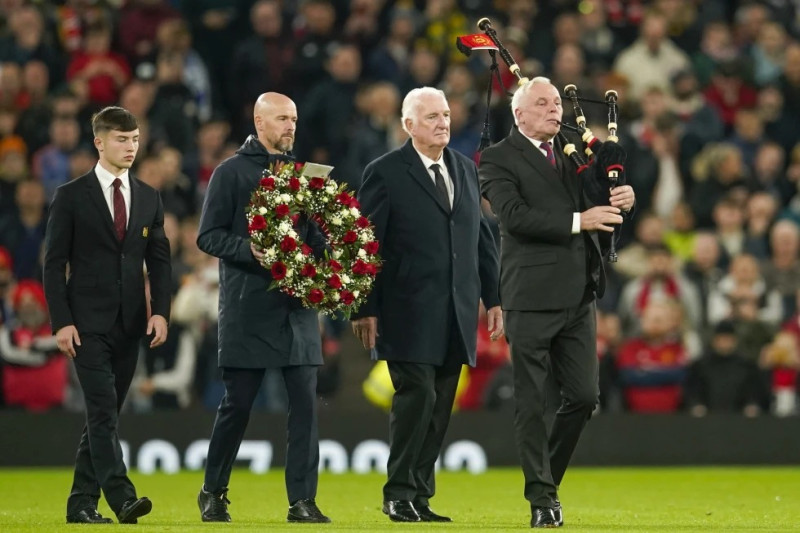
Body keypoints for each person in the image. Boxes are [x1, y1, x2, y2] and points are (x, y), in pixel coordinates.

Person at [479, 77, 635, 528]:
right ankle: (542, 498)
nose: (555, 110)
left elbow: (603, 194)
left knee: (585, 396)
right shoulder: (497, 158)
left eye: (555, 103)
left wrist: (624, 195)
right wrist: (579, 220)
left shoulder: (574, 147)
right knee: (531, 399)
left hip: (579, 293)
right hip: (528, 296)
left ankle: (546, 479)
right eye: (543, 104)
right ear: (519, 114)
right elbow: (513, 217)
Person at [351, 87, 502, 523]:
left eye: (446, 115)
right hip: (405, 310)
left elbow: (481, 238)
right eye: (432, 116)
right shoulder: (385, 172)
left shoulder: (465, 170)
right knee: (414, 398)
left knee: (439, 405)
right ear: (408, 125)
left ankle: (419, 494)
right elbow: (366, 243)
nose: (443, 122)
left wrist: (493, 298)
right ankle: (398, 492)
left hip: (456, 311)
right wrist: (365, 306)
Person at [195, 92, 330, 524]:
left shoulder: (308, 175)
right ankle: (213, 492)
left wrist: (331, 258)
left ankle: (302, 502)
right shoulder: (230, 172)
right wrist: (248, 248)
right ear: (259, 120)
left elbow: (318, 239)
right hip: (248, 307)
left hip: (297, 310)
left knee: (305, 407)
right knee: (238, 405)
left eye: (294, 118)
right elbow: (208, 235)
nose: (291, 126)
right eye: (282, 119)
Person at [43, 106, 171, 524]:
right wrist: (61, 321)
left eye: (134, 139)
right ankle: (122, 497)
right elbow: (53, 262)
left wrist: (161, 313)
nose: (130, 146)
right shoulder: (71, 195)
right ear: (99, 142)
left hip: (131, 323)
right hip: (85, 326)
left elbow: (160, 262)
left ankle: (80, 503)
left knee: (105, 416)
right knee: (102, 411)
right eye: (121, 139)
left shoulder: (150, 197)